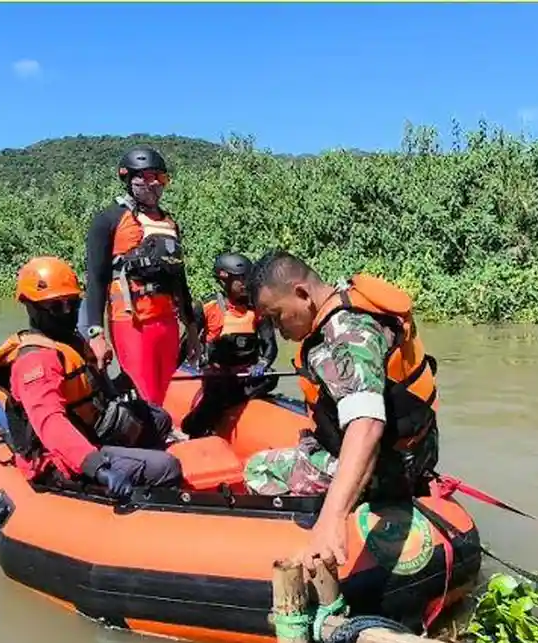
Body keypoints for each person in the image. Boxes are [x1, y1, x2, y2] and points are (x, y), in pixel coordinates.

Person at [244, 250, 440, 572]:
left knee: (260, 468)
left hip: (388, 469)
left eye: (277, 316)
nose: (278, 329)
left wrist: (331, 518)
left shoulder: (345, 333)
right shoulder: (350, 301)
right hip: (418, 452)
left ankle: (316, 529)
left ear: (302, 294)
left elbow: (366, 424)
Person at [0, 256, 183, 498]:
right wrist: (97, 467)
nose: (67, 312)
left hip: (90, 429)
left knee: (158, 419)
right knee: (166, 467)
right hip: (58, 457)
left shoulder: (70, 342)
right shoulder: (36, 361)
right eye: (56, 306)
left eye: (73, 303)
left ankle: (137, 465)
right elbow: (51, 424)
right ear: (30, 305)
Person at [81, 146, 201, 407]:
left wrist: (191, 330)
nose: (155, 184)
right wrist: (96, 333)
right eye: (147, 177)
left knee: (162, 388)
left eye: (161, 178)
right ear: (128, 177)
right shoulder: (108, 219)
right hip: (131, 322)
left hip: (167, 322)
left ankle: (160, 431)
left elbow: (180, 280)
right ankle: (152, 436)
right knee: (143, 388)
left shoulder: (169, 223)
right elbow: (96, 279)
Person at [180, 252, 280, 438]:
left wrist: (263, 363)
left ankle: (232, 405)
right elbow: (185, 345)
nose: (245, 284)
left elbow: (270, 345)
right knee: (218, 393)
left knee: (271, 377)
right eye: (239, 279)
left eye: (247, 279)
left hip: (246, 376)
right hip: (218, 377)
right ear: (224, 280)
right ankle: (194, 425)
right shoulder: (208, 307)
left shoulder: (257, 309)